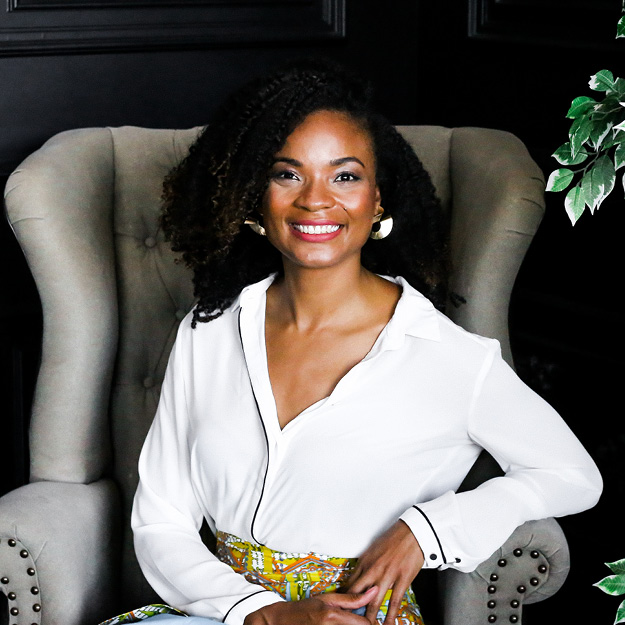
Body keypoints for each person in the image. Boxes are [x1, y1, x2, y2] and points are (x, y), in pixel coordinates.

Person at [109, 59, 602, 625]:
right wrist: (264, 613)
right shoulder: (210, 330)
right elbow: (161, 522)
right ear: (252, 197)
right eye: (286, 173)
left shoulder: (449, 357)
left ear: (379, 199)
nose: (315, 200)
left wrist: (428, 530)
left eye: (345, 176)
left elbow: (574, 476)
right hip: (220, 615)